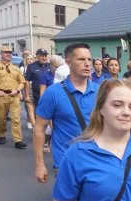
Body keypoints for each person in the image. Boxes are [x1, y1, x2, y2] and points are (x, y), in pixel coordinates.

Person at [34, 42, 100, 182]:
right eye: (81, 59)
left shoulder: (100, 91)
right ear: (68, 62)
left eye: (89, 59)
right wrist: (40, 164)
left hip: (96, 162)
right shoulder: (53, 93)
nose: (87, 64)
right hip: (66, 163)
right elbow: (39, 129)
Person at [0, 45, 27, 149]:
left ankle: (18, 140)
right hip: (1, 95)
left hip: (14, 96)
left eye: (10, 52)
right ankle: (2, 134)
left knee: (16, 118)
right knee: (1, 118)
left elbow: (22, 82)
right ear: (1, 54)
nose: (8, 54)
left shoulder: (16, 68)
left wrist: (18, 90)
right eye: (6, 52)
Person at [20, 54, 36, 130]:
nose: (30, 61)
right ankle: (30, 121)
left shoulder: (35, 67)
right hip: (26, 89)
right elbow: (20, 80)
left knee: (35, 106)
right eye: (28, 59)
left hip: (34, 88)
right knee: (28, 106)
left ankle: (34, 121)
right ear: (26, 61)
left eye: (31, 59)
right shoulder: (23, 69)